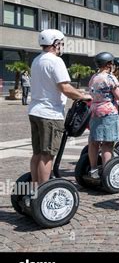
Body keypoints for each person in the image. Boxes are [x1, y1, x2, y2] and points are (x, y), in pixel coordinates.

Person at [28, 29, 92, 186]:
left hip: (35, 111)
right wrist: (83, 96)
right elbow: (64, 87)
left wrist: (78, 92)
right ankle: (44, 190)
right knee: (47, 155)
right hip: (50, 113)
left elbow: (52, 85)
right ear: (55, 43)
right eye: (61, 43)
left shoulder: (37, 60)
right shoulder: (56, 61)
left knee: (37, 153)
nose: (62, 46)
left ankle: (34, 187)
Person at [87, 52, 119, 178]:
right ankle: (107, 172)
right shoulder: (110, 78)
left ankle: (93, 169)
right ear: (108, 64)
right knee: (107, 143)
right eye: (112, 63)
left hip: (94, 112)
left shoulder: (94, 77)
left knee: (94, 142)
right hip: (108, 113)